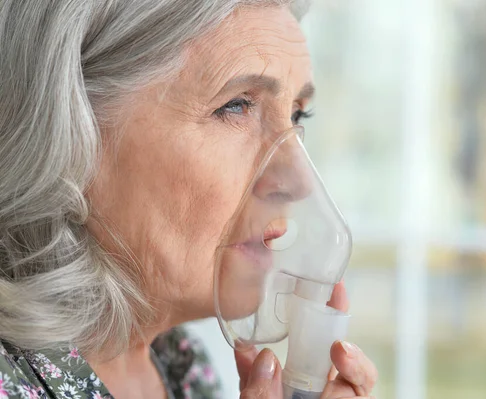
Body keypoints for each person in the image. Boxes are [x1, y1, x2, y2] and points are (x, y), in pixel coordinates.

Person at [0, 1, 378, 399]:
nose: (299, 181)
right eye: (236, 106)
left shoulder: (181, 364)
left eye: (297, 117)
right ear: (67, 128)